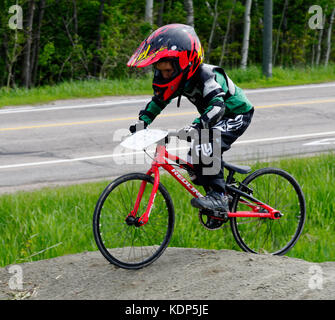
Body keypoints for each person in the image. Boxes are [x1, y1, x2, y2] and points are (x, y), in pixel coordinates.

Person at [127, 23, 254, 220]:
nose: (164, 75)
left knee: (209, 141)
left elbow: (218, 107)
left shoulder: (206, 76)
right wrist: (144, 121)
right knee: (196, 165)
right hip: (211, 117)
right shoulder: (180, 77)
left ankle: (219, 197)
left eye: (168, 70)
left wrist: (196, 125)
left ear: (186, 62)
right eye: (160, 70)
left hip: (235, 114)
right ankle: (219, 200)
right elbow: (159, 101)